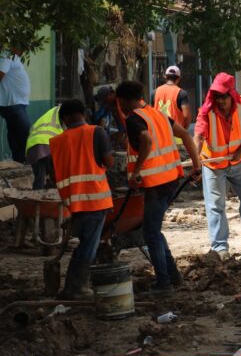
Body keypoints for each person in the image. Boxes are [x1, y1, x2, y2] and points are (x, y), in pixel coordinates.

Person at [116, 80, 201, 293]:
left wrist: (136, 172)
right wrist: (196, 166)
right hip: (170, 179)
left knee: (151, 233)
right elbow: (186, 135)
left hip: (155, 184)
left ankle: (164, 283)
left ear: (124, 101)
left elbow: (146, 140)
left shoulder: (135, 119)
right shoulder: (158, 114)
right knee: (154, 230)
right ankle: (172, 276)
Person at [193, 72, 241, 259]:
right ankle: (220, 247)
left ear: (232, 94)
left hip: (239, 161)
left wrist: (240, 151)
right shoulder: (207, 110)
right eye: (217, 97)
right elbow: (198, 136)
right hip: (213, 164)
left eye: (223, 97)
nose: (220, 101)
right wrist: (196, 162)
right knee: (215, 206)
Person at [50, 99, 114, 300]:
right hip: (95, 200)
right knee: (88, 246)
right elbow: (109, 162)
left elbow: (54, 174)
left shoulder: (57, 142)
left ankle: (73, 286)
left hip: (73, 203)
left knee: (85, 243)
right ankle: (76, 287)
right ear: (83, 113)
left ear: (65, 119)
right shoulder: (96, 132)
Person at [0, 53, 31, 163]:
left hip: (16, 103)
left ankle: (19, 159)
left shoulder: (12, 57)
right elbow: (1, 73)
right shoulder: (7, 56)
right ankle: (23, 160)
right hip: (13, 103)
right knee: (23, 132)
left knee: (14, 132)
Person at [25, 105, 63, 190]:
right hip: (47, 143)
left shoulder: (49, 114)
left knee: (39, 177)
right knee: (56, 172)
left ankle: (37, 197)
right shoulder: (65, 112)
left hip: (33, 145)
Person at [152, 65, 191, 130]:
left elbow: (151, 112)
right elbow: (186, 116)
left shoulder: (155, 92)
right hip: (175, 135)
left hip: (159, 133)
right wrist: (184, 131)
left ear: (165, 77)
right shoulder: (181, 93)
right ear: (179, 79)